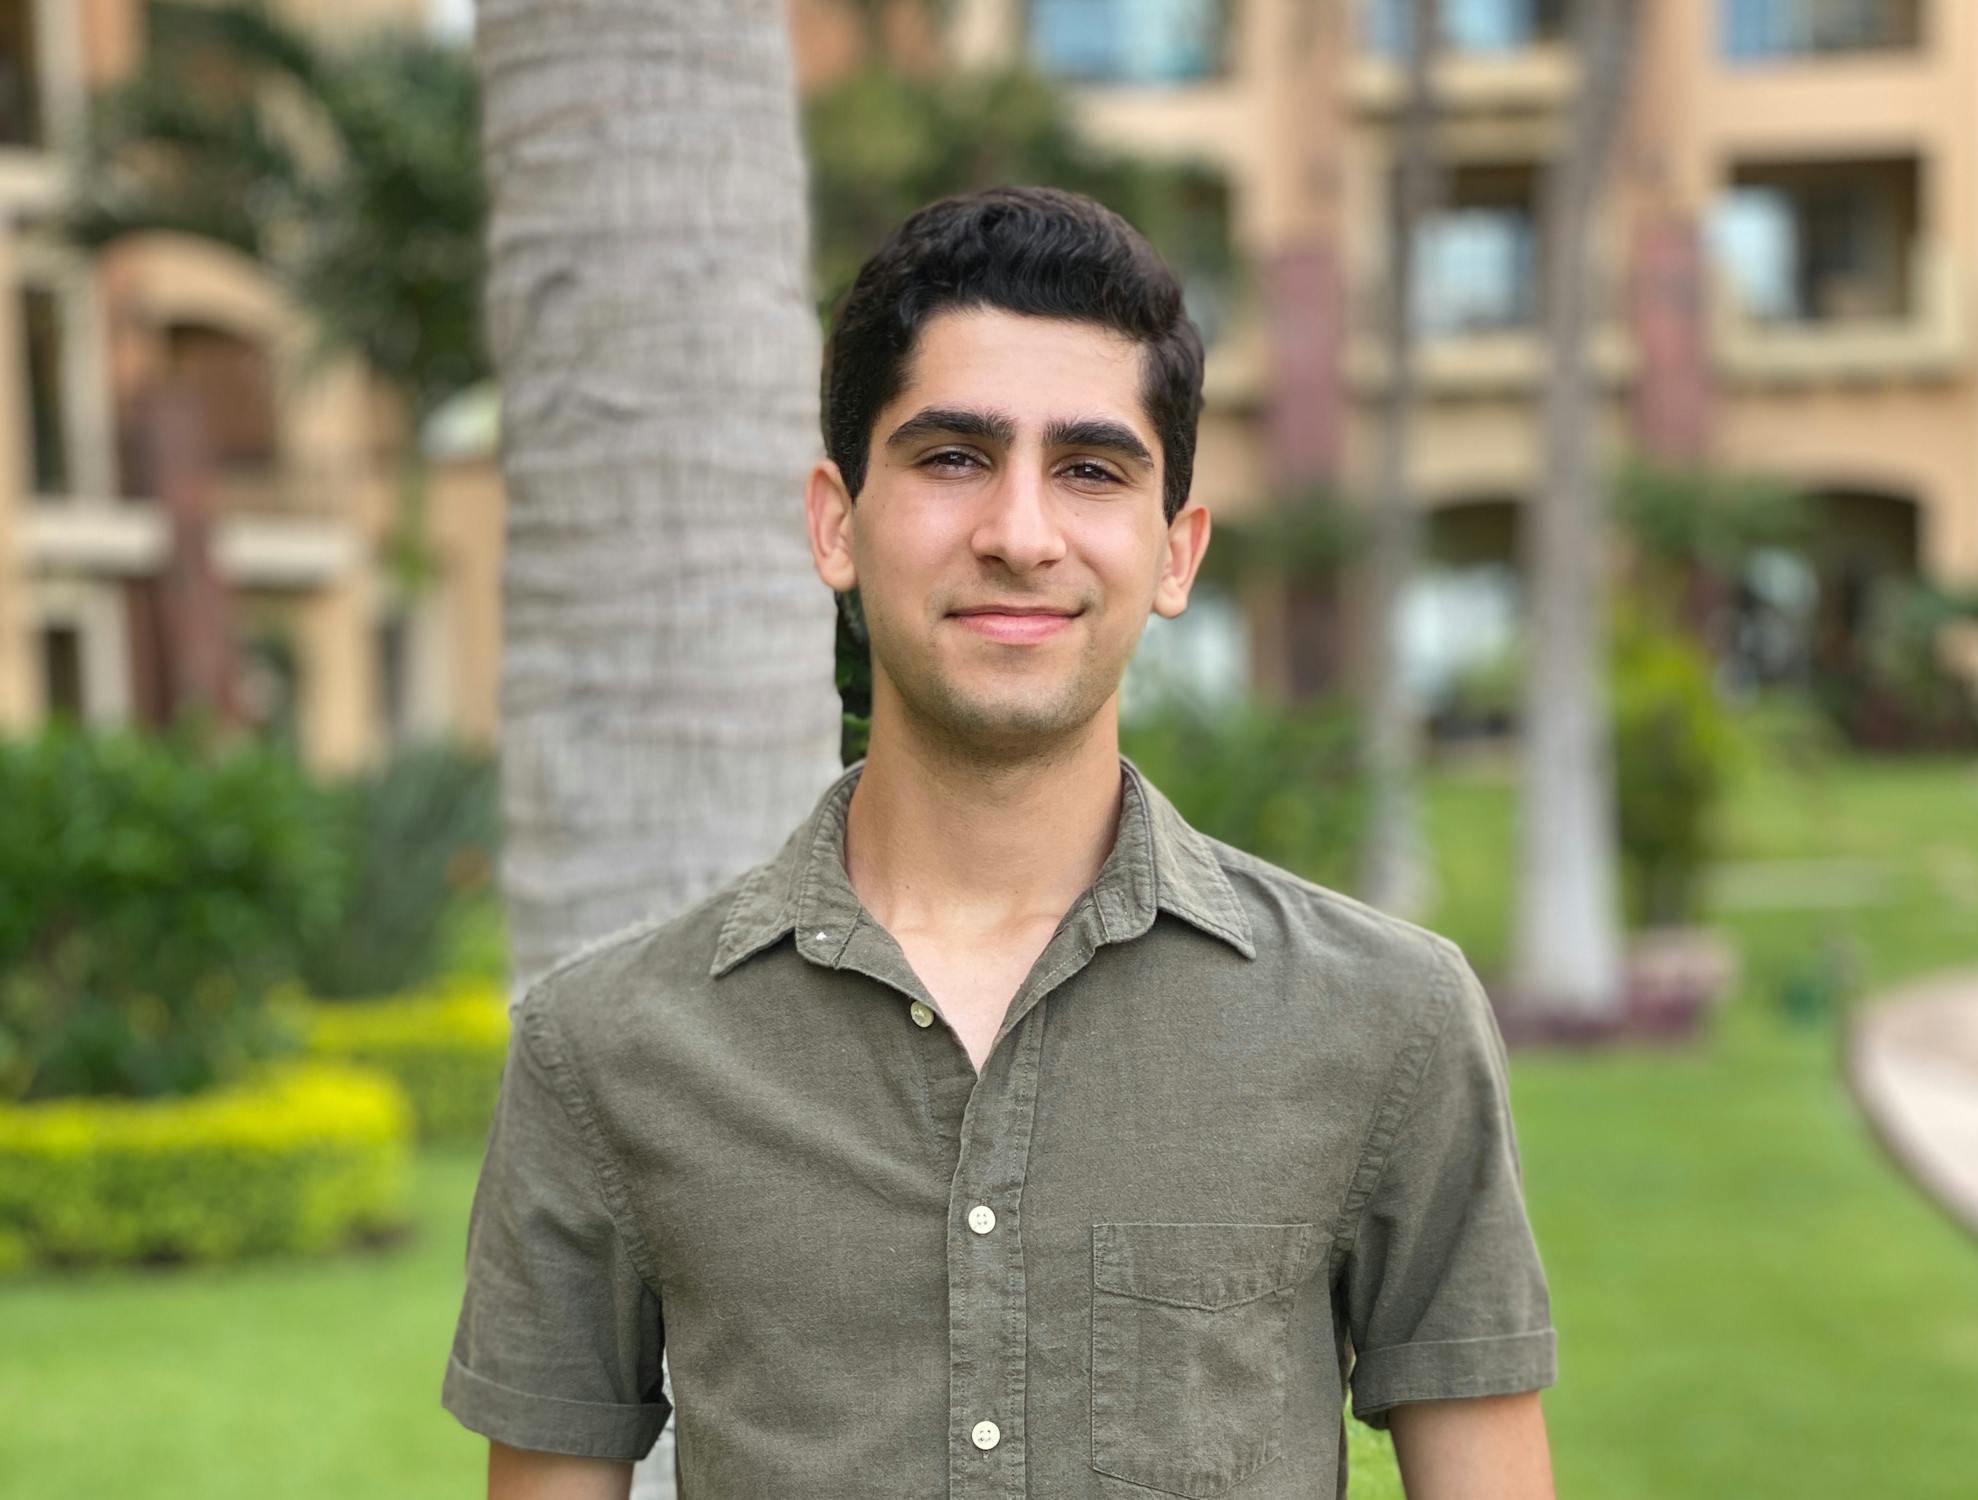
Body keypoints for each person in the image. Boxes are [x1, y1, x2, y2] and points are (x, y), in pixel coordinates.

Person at [442, 184, 1558, 1500]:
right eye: (953, 457)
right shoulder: (606, 1048)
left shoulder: (1390, 1021)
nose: (1019, 534)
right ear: (837, 524)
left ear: (1176, 550)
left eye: (1091, 470)